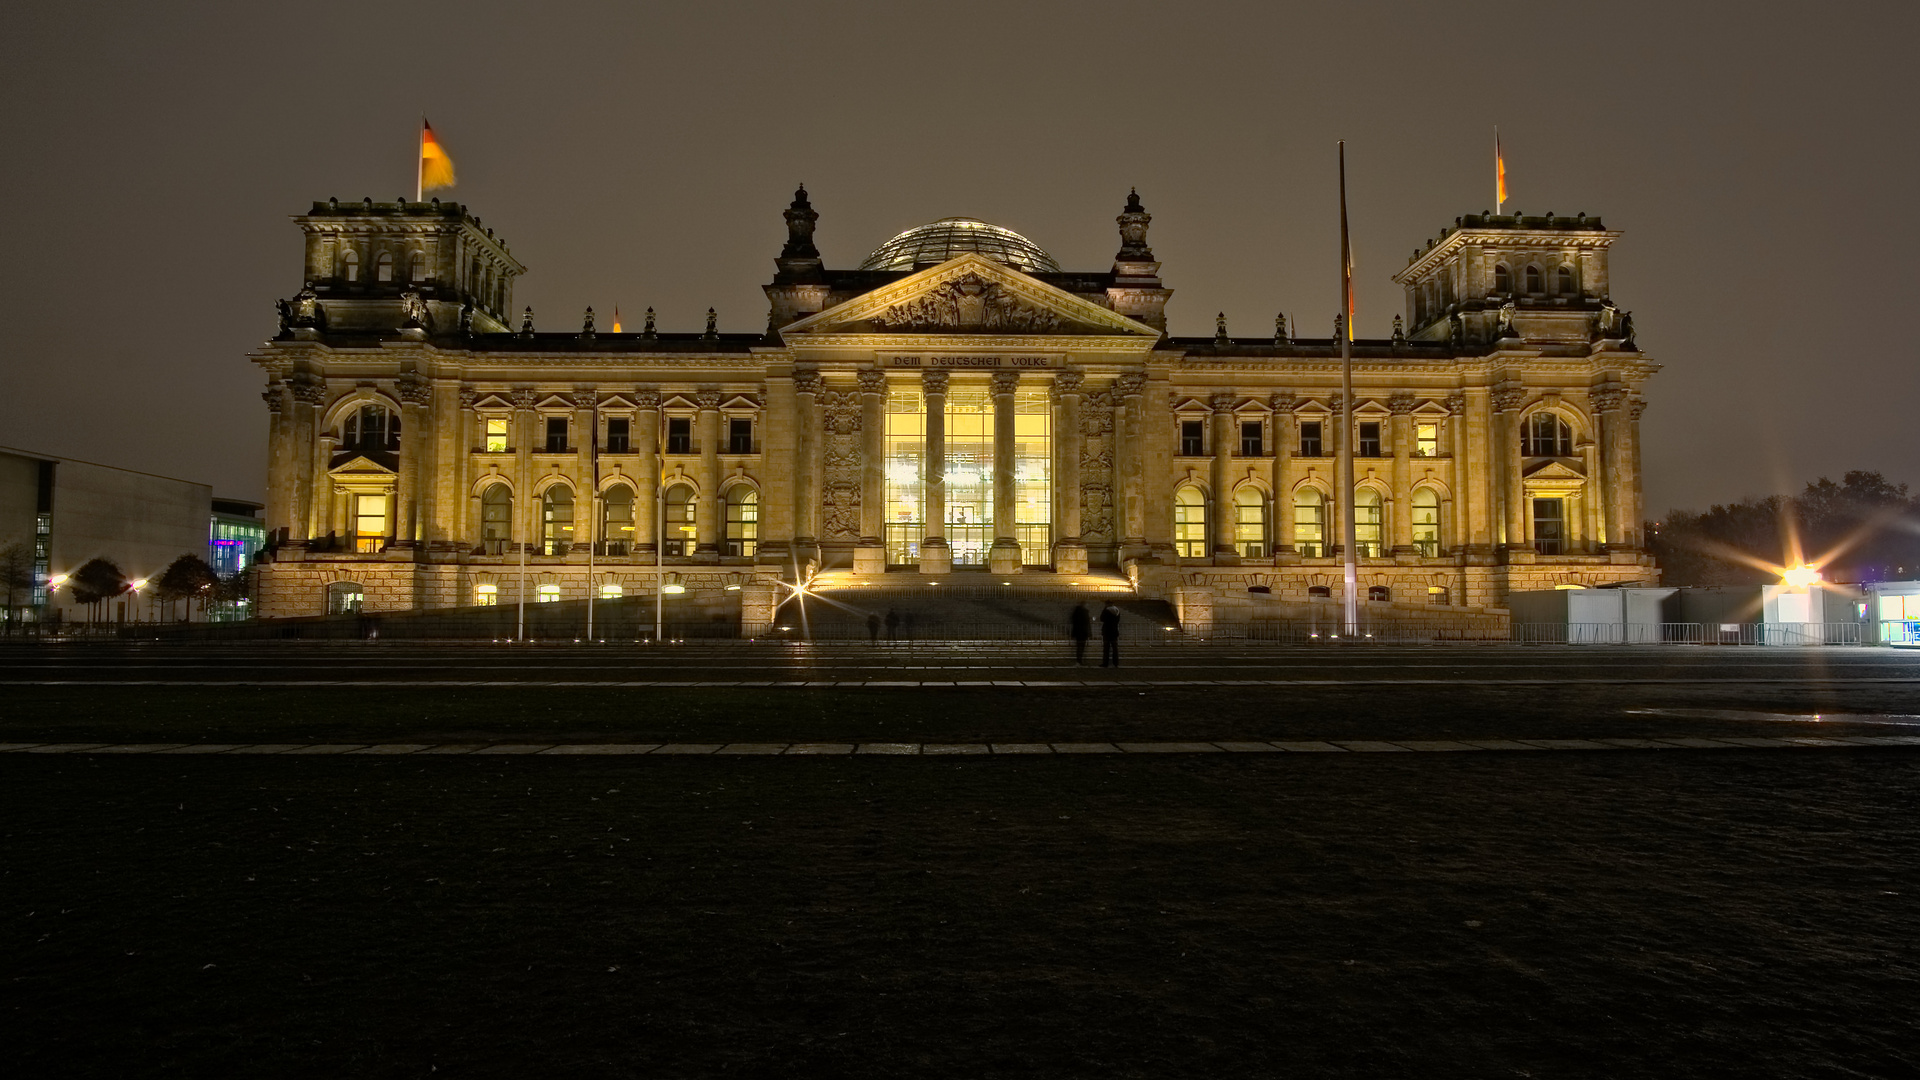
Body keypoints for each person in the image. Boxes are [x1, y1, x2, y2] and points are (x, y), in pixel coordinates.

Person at [1099, 601, 1121, 668]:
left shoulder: (1106, 611)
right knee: (1115, 648)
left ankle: (1105, 663)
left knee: (1106, 648)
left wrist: (1104, 609)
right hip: (1114, 631)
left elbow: (1101, 618)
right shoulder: (1117, 611)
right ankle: (1116, 663)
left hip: (1107, 631)